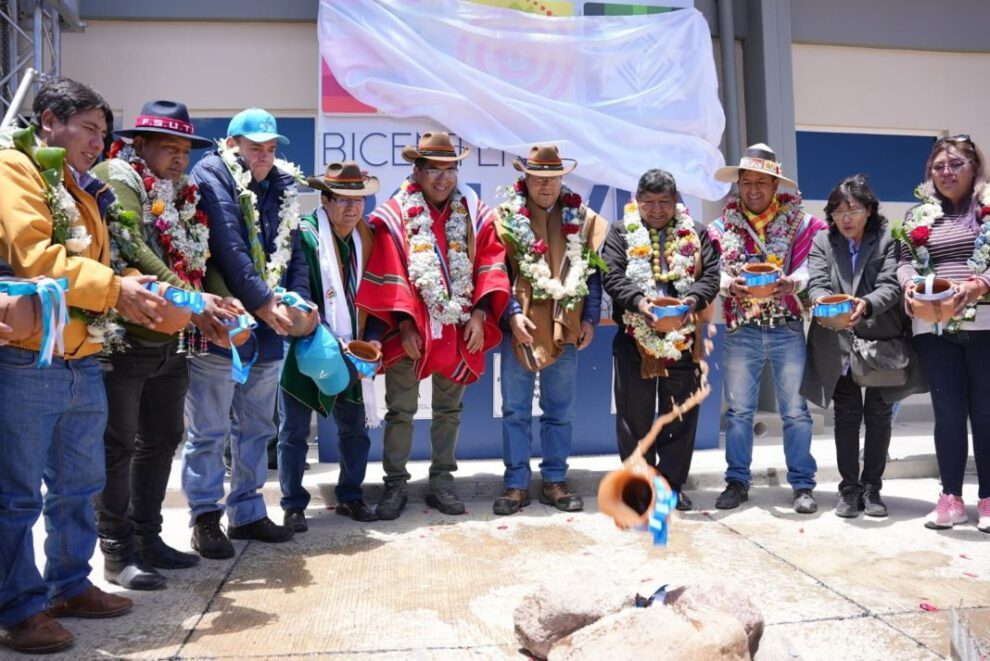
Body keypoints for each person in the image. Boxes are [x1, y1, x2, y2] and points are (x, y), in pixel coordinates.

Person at [0, 77, 166, 654]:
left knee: (78, 485)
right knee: (17, 495)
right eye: (89, 129)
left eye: (103, 132)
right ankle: (19, 610)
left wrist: (130, 285)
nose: (99, 142)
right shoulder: (15, 169)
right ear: (49, 121)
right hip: (28, 356)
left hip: (83, 356)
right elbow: (38, 258)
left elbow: (94, 265)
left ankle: (69, 585)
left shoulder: (78, 184)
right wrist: (117, 290)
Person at [90, 100, 236, 589]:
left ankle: (148, 539)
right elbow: (133, 247)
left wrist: (219, 308)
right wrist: (194, 300)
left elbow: (203, 254)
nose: (179, 158)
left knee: (162, 439)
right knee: (119, 446)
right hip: (124, 339)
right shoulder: (117, 174)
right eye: (169, 148)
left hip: (171, 340)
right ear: (140, 145)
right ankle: (117, 550)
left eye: (184, 149)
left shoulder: (183, 193)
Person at [356, 131, 509, 520]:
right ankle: (394, 486)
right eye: (434, 171)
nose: (443, 179)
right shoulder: (394, 214)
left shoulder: (474, 214)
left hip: (459, 326)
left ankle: (442, 482)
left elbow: (490, 263)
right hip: (411, 330)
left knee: (448, 411)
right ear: (417, 171)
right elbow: (388, 269)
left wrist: (478, 314)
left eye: (450, 170)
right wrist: (405, 325)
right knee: (401, 410)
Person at [181, 108, 311, 558]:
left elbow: (292, 252)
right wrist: (264, 302)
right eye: (256, 148)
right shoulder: (211, 174)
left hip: (269, 323)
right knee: (209, 430)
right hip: (223, 321)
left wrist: (295, 301)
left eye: (272, 148)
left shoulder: (281, 183)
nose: (265, 156)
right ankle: (204, 518)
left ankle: (249, 513)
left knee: (257, 428)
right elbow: (229, 247)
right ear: (232, 143)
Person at [707, 144, 827, 514]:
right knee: (740, 412)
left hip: (786, 327)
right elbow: (711, 272)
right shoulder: (719, 228)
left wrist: (794, 282)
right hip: (742, 329)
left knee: (795, 411)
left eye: (762, 182)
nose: (754, 189)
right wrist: (730, 285)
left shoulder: (802, 224)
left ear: (776, 185)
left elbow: (813, 265)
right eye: (747, 182)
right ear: (738, 185)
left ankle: (803, 485)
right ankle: (737, 482)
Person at [490, 145, 607, 515]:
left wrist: (589, 318)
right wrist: (510, 314)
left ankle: (555, 480)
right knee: (515, 409)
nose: (545, 184)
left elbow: (592, 272)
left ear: (562, 178)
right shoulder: (506, 218)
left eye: (552, 177)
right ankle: (515, 484)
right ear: (525, 178)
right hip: (520, 326)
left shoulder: (582, 218)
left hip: (566, 324)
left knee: (561, 410)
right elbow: (495, 274)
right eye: (538, 177)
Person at [801, 174, 927, 518]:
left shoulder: (888, 240)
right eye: (838, 210)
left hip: (881, 342)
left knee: (878, 415)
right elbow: (816, 282)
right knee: (845, 416)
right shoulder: (822, 241)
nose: (845, 217)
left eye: (853, 209)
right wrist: (825, 303)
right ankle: (849, 489)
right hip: (836, 341)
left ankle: (872, 488)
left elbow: (890, 284)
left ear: (869, 210)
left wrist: (865, 304)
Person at [602, 169, 720, 511]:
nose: (656, 209)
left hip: (684, 338)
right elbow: (611, 274)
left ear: (675, 202)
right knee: (633, 418)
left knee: (679, 415)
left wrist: (691, 303)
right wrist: (641, 303)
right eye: (649, 202)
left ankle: (671, 487)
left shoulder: (695, 233)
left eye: (664, 202)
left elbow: (711, 275)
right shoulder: (621, 232)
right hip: (634, 339)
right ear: (637, 202)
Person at [896, 135, 990, 532]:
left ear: (975, 170)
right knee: (948, 414)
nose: (946, 173)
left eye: (955, 165)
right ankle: (950, 497)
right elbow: (903, 261)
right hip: (932, 325)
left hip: (984, 324)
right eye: (939, 167)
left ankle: (987, 500)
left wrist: (979, 284)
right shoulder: (919, 215)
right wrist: (907, 285)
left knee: (986, 414)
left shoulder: (987, 211)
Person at [278, 161, 380, 530]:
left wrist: (373, 340)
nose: (352, 208)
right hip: (309, 346)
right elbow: (297, 287)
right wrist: (309, 324)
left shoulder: (367, 238)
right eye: (342, 200)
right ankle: (292, 503)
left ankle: (351, 496)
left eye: (359, 200)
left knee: (355, 429)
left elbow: (378, 294)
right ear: (324, 199)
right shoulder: (303, 235)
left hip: (352, 349)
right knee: (293, 431)